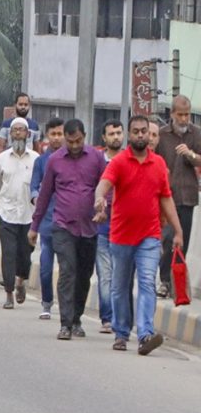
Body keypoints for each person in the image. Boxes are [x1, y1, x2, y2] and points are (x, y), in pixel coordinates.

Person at [94, 115, 183, 356]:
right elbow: (103, 185)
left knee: (146, 283)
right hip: (121, 236)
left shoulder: (158, 165)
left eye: (145, 131)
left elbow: (166, 198)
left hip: (149, 236)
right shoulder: (120, 162)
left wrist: (177, 230)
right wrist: (99, 200)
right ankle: (121, 333)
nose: (141, 135)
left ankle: (145, 334)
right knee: (120, 286)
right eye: (136, 131)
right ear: (129, 135)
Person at [29, 119, 106, 340]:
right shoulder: (54, 161)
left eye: (78, 141)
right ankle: (64, 323)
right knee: (67, 272)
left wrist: (104, 208)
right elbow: (43, 196)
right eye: (70, 141)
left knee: (84, 275)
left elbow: (107, 186)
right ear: (65, 138)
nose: (74, 145)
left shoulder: (96, 158)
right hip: (62, 226)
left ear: (85, 136)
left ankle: (76, 319)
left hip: (90, 227)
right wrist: (35, 227)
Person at [0, 117, 39, 308]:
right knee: (8, 254)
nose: (18, 133)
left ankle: (20, 282)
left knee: (25, 255)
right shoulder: (2, 159)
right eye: (15, 130)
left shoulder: (35, 159)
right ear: (10, 134)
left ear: (27, 134)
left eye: (22, 130)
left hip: (28, 215)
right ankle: (8, 293)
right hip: (6, 213)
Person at [154, 95, 201, 299]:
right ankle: (164, 280)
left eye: (187, 114)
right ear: (172, 114)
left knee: (183, 241)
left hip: (188, 197)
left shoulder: (196, 134)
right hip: (167, 197)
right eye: (180, 115)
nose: (184, 119)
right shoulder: (162, 136)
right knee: (166, 239)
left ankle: (177, 283)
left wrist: (190, 155)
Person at [30, 117, 65, 319]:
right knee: (45, 267)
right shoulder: (41, 162)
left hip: (66, 223)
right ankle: (47, 302)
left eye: (60, 134)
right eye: (53, 134)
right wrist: (36, 199)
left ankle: (65, 306)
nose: (57, 138)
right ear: (47, 137)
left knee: (66, 268)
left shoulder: (70, 159)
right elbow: (34, 187)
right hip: (46, 222)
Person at [94, 119, 124, 333]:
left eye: (119, 133)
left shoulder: (129, 161)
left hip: (124, 229)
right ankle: (107, 318)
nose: (116, 137)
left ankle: (121, 317)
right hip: (102, 228)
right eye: (111, 133)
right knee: (105, 274)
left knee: (121, 276)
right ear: (104, 138)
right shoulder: (96, 162)